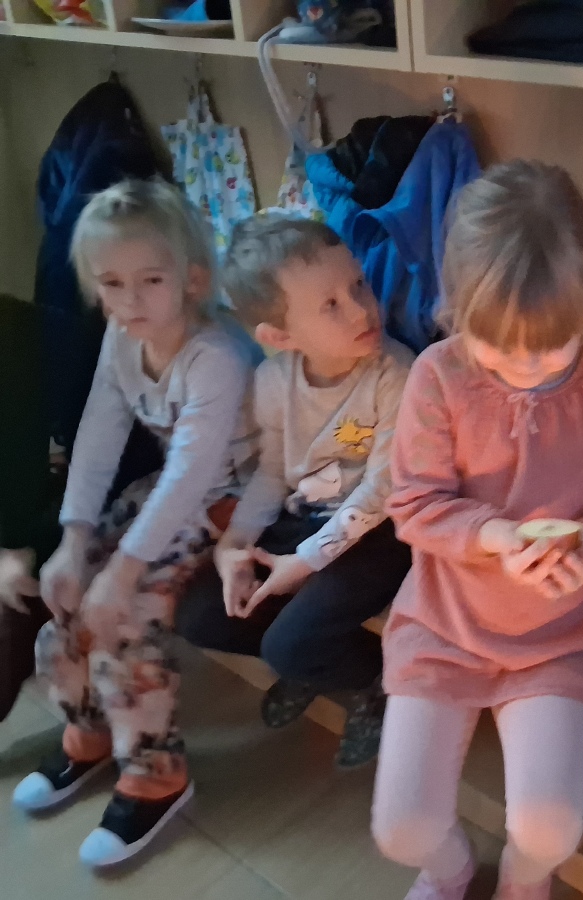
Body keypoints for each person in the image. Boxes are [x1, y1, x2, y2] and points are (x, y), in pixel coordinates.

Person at [370, 159, 583, 900]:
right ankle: (450, 873)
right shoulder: (438, 375)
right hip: (446, 624)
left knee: (548, 830)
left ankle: (519, 884)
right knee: (401, 828)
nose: (527, 366)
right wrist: (494, 539)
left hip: (566, 636)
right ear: (457, 307)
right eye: (499, 346)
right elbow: (414, 503)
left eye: (550, 345)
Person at [11, 179, 257, 868]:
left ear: (192, 279)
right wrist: (74, 541)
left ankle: (156, 774)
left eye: (150, 280)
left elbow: (193, 474)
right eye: (111, 284)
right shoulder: (123, 336)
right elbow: (99, 430)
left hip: (232, 497)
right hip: (173, 488)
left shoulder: (216, 356)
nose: (129, 302)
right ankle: (88, 733)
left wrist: (123, 575)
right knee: (68, 591)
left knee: (129, 608)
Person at [176, 217, 415, 769]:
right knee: (201, 615)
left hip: (379, 533)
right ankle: (315, 660)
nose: (361, 310)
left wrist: (305, 562)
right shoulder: (273, 381)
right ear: (280, 337)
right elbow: (274, 472)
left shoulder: (396, 373)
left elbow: (381, 491)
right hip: (308, 519)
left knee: (288, 646)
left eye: (358, 285)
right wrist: (234, 544)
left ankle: (377, 680)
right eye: (331, 305)